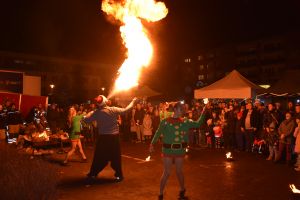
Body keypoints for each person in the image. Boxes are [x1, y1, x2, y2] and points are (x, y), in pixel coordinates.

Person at [150, 102, 206, 200]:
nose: (183, 112)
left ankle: (182, 190)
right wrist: (152, 143)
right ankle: (160, 193)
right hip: (167, 150)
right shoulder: (165, 121)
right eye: (181, 109)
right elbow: (158, 133)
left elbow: (198, 124)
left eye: (183, 110)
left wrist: (204, 112)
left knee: (179, 171)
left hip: (180, 151)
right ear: (175, 109)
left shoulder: (185, 121)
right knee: (167, 172)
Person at [83, 95, 137, 183]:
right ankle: (119, 175)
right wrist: (133, 101)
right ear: (105, 101)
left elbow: (85, 120)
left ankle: (93, 174)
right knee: (116, 157)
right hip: (114, 138)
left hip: (103, 138)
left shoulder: (96, 112)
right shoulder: (113, 109)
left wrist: (89, 113)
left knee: (98, 157)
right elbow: (126, 110)